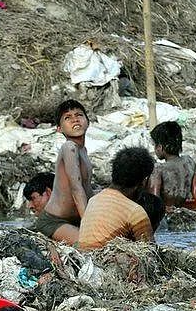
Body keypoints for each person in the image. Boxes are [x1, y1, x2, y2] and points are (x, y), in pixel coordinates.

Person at [33, 100, 92, 245]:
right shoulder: (69, 147)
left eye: (79, 115)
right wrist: (90, 226)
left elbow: (87, 188)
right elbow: (76, 188)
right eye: (68, 118)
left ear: (88, 121)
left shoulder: (83, 150)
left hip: (75, 219)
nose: (75, 119)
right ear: (59, 129)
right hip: (55, 221)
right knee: (88, 244)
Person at [77, 147, 155, 251]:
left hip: (85, 260)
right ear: (144, 181)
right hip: (107, 264)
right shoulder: (135, 212)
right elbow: (151, 253)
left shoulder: (93, 201)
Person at [148, 121, 196, 213]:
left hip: (165, 216)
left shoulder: (158, 169)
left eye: (155, 145)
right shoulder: (189, 162)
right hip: (181, 213)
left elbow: (154, 201)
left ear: (160, 147)